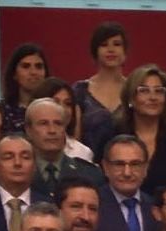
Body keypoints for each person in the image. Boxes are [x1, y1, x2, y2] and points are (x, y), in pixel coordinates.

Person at [112, 64, 166, 194]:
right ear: (131, 98)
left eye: (159, 91)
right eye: (144, 91)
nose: (153, 97)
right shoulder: (113, 135)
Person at [95, 134, 161, 231]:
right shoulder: (93, 206)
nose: (127, 173)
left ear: (146, 168)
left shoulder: (155, 207)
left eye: (135, 164)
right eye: (119, 164)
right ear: (105, 167)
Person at [73, 21, 128, 162]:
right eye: (104, 45)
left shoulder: (134, 89)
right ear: (95, 51)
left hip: (129, 166)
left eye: (117, 44)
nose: (111, 49)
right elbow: (75, 142)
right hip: (88, 167)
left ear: (125, 51)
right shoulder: (80, 91)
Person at [26, 97, 104, 193]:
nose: (52, 130)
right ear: (28, 130)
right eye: (43, 123)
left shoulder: (90, 174)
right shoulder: (18, 172)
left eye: (58, 124)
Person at [33, 77, 95, 162]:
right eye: (55, 102)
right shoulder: (22, 149)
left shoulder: (83, 152)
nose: (62, 109)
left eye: (67, 103)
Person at [0, 43, 49, 135]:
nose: (33, 72)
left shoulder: (55, 108)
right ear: (14, 74)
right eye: (26, 66)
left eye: (39, 66)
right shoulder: (0, 111)